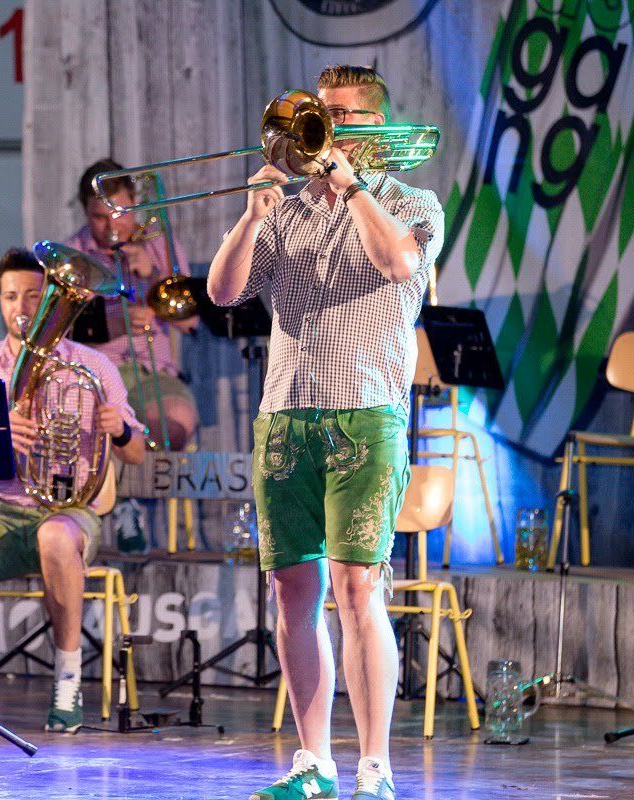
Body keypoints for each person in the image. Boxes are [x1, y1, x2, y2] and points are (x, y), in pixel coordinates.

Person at [208, 66, 443, 800]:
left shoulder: (412, 203)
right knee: (292, 591)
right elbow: (222, 292)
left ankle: (375, 767)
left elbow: (398, 262)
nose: (326, 128)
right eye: (320, 115)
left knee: (356, 587)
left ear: (375, 128)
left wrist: (354, 188)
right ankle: (314, 764)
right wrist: (252, 216)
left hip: (365, 414)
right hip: (285, 415)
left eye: (341, 116)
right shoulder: (287, 210)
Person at [0, 247, 147, 734]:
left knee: (54, 537)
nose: (21, 307)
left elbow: (137, 452)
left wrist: (119, 431)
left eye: (32, 296)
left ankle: (68, 682)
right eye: (10, 297)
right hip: (2, 510)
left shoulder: (94, 366)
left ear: (49, 299)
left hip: (70, 510)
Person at [64, 158, 199, 451]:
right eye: (100, 216)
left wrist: (154, 276)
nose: (112, 225)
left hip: (152, 373)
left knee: (174, 425)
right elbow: (60, 331)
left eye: (120, 213)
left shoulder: (159, 244)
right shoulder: (71, 254)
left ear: (134, 203)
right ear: (84, 211)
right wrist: (114, 324)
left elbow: (190, 322)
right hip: (94, 374)